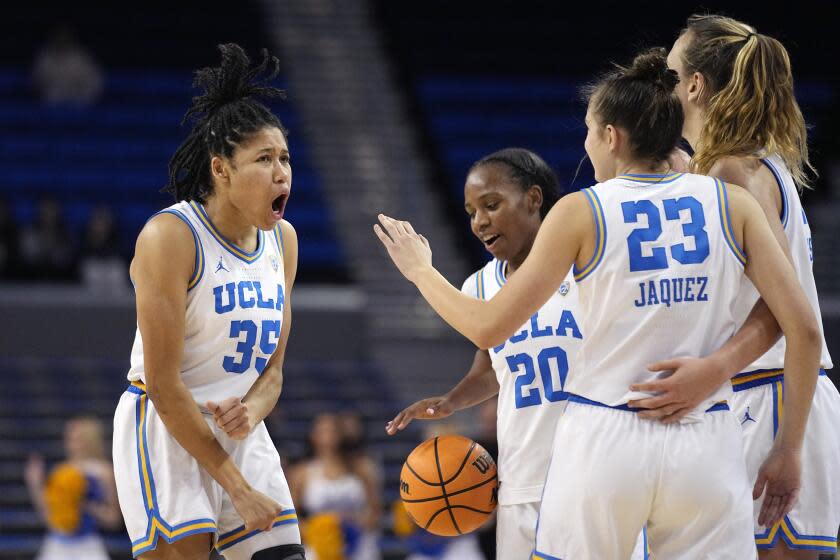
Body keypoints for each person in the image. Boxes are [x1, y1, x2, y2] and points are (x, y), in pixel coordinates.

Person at [374, 48, 821, 559]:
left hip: (608, 438)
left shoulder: (581, 211)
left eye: (589, 131)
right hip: (706, 441)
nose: (587, 145)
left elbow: (487, 327)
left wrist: (420, 271)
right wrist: (779, 437)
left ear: (612, 136)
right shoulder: (731, 201)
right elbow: (801, 326)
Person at [633, 15, 840, 559]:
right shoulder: (733, 166)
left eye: (671, 75)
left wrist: (788, 444)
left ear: (695, 86)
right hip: (761, 399)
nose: (664, 88)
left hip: (775, 398)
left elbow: (795, 317)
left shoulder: (733, 172)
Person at [384, 147, 649, 559]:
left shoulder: (589, 269)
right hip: (520, 479)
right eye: (472, 211)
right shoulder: (480, 286)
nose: (479, 222)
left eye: (491, 205)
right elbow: (491, 367)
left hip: (594, 473)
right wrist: (452, 401)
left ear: (534, 198)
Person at [111, 43, 304, 560]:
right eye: (264, 159)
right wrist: (236, 488)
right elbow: (165, 383)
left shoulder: (283, 242)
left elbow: (275, 371)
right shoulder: (170, 237)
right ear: (220, 169)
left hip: (239, 430)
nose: (281, 172)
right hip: (166, 426)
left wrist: (252, 410)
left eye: (285, 157)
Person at [24, 416, 122, 560]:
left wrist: (87, 506)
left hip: (87, 545)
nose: (71, 443)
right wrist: (35, 485)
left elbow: (114, 520)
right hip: (57, 544)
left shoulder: (104, 472)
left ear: (90, 440)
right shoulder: (61, 471)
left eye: (77, 439)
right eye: (69, 438)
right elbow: (49, 516)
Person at [290, 413, 381, 560]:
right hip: (319, 547)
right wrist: (316, 530)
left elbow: (375, 509)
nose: (328, 437)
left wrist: (355, 525)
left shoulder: (361, 467)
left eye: (332, 431)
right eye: (322, 431)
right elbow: (291, 516)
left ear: (341, 434)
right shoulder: (302, 472)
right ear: (312, 436)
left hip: (357, 544)